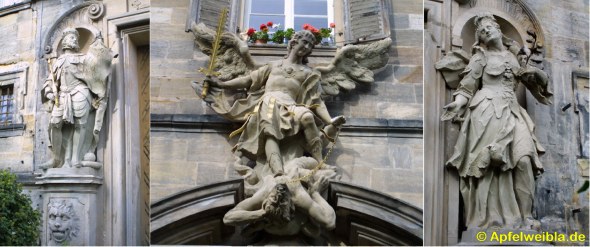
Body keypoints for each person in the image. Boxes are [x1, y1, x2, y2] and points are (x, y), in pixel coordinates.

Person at [442, 13, 552, 231]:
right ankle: (489, 221)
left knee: (523, 159)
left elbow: (533, 82)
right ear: (480, 39)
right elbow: (467, 85)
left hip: (513, 111)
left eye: (489, 27)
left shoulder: (515, 56)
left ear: (499, 29)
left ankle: (526, 216)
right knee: (490, 164)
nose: (486, 32)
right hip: (486, 111)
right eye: (482, 31)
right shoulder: (480, 57)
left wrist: (536, 74)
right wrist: (458, 102)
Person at [200, 30, 344, 175]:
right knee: (270, 132)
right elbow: (247, 80)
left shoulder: (309, 73)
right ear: (294, 43)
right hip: (269, 103)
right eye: (305, 42)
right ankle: (278, 172)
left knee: (307, 117)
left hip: (291, 105)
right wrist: (220, 84)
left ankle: (319, 162)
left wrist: (330, 121)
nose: (307, 47)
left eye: (310, 46)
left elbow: (317, 101)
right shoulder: (274, 66)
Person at [40, 28, 111, 169]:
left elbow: (95, 71)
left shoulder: (83, 58)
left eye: (75, 38)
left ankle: (75, 158)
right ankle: (56, 159)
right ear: (65, 41)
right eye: (71, 38)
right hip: (62, 95)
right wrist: (49, 93)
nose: (74, 40)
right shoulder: (58, 61)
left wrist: (99, 45)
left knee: (80, 125)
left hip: (80, 92)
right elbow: (50, 81)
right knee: (55, 124)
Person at [222, 157, 336, 238]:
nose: (280, 192)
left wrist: (261, 213)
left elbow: (228, 218)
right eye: (281, 201)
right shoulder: (298, 197)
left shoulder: (265, 192)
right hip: (297, 172)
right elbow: (329, 222)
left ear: (265, 202)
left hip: (291, 171)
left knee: (305, 164)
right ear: (292, 206)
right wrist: (315, 193)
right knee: (329, 174)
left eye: (274, 199)